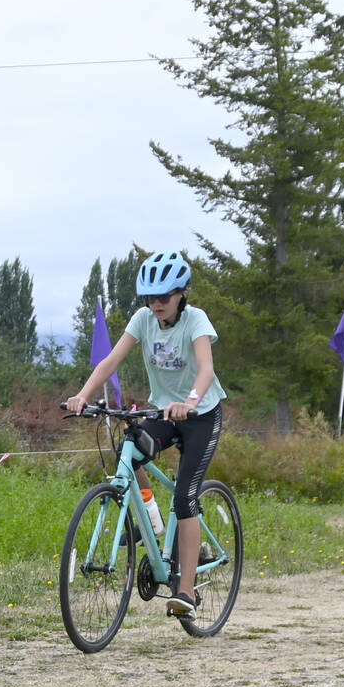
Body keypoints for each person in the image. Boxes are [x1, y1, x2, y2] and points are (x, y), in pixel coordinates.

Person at [62, 250, 227, 619]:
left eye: (164, 297)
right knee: (131, 446)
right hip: (163, 413)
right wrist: (83, 396)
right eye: (150, 298)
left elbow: (207, 369)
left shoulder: (196, 320)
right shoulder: (142, 320)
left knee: (186, 496)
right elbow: (110, 361)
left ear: (182, 294)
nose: (156, 305)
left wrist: (190, 401)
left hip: (200, 414)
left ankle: (185, 591)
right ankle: (149, 522)